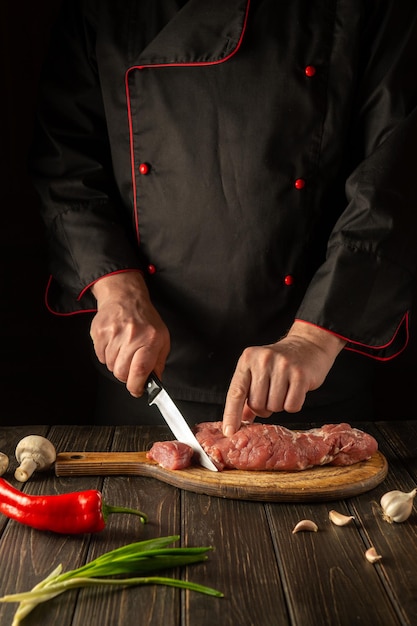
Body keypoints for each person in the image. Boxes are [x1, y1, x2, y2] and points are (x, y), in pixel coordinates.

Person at [30, 0, 417, 431]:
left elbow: (396, 179)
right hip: (146, 380)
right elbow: (66, 166)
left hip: (312, 382)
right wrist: (119, 294)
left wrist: (311, 340)